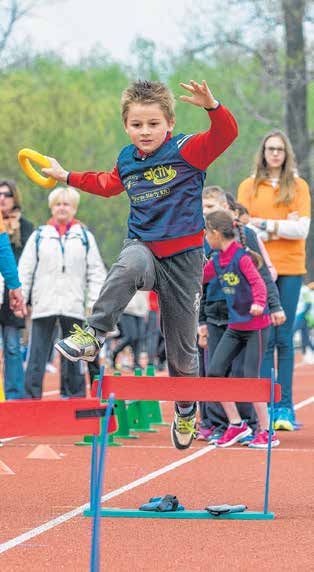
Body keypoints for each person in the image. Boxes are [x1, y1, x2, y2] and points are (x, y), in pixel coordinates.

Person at [40, 78, 238, 450]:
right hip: (144, 247)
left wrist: (213, 106)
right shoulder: (127, 158)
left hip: (184, 259)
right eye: (136, 125)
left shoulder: (189, 149)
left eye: (152, 124)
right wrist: (65, 176)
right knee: (127, 264)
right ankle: (93, 335)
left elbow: (226, 134)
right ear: (126, 125)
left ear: (169, 124)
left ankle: (185, 408)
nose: (144, 132)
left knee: (181, 351)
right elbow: (106, 183)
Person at [197, 186, 284, 444]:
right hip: (236, 326)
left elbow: (259, 283)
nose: (205, 238)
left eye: (206, 233)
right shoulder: (217, 258)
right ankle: (236, 424)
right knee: (214, 372)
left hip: (255, 325)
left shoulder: (241, 257)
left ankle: (267, 431)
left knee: (249, 378)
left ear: (214, 233)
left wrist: (260, 303)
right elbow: (201, 278)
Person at [238, 130, 311, 430]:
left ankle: (285, 408)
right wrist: (282, 226)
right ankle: (265, 405)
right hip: (260, 270)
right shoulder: (248, 186)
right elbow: (243, 228)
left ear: (286, 153)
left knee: (284, 339)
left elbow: (302, 231)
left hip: (292, 268)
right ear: (263, 152)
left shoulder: (298, 186)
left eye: (280, 149)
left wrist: (263, 225)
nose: (275, 154)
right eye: (270, 148)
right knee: (264, 340)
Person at [18, 186, 106, 398]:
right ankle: (31, 399)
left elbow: (96, 272)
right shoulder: (39, 235)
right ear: (52, 207)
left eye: (66, 204)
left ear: (74, 208)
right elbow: (25, 270)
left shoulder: (84, 237)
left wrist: (94, 301)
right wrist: (22, 298)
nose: (62, 208)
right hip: (44, 303)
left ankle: (74, 396)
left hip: (73, 304)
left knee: (74, 355)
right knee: (37, 354)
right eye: (58, 204)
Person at [0, 180, 33, 399]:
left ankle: (14, 396)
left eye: (7, 194)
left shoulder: (26, 227)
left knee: (12, 346)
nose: (2, 198)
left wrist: (21, 292)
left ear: (15, 198)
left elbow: (27, 262)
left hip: (12, 292)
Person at [111, 291, 148, 370]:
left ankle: (136, 363)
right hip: (127, 311)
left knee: (139, 338)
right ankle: (114, 352)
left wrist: (145, 309)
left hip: (141, 312)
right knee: (131, 337)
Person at [293, 282, 314, 364]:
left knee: (291, 333)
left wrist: (302, 315)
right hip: (303, 315)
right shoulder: (303, 290)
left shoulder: (304, 290)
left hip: (303, 316)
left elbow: (308, 304)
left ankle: (305, 353)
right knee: (305, 336)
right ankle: (305, 353)